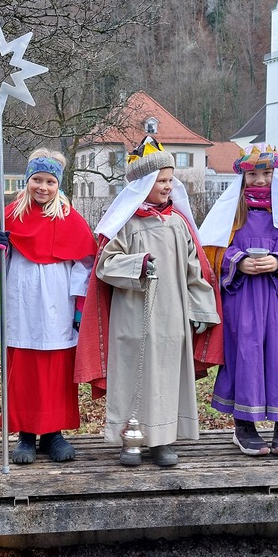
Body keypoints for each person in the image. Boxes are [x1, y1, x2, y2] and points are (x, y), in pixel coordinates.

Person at [75, 136, 223, 468]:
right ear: (143, 185)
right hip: (133, 315)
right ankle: (131, 437)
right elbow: (105, 265)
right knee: (132, 374)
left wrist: (200, 308)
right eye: (161, 181)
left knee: (167, 378)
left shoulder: (178, 223)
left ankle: (162, 440)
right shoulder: (125, 223)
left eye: (170, 180)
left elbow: (194, 269)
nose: (168, 186)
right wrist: (137, 264)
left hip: (172, 316)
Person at [199, 143, 278, 457]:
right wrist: (237, 261)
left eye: (266, 173)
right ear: (243, 177)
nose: (260, 179)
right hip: (240, 301)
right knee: (245, 355)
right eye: (253, 174)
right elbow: (211, 253)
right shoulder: (230, 213)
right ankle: (244, 424)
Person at [0, 149, 97, 464]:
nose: (43, 187)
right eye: (37, 180)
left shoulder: (69, 218)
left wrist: (78, 310)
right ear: (27, 180)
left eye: (49, 181)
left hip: (58, 307)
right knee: (24, 373)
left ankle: (53, 434)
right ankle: (26, 436)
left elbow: (85, 265)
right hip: (22, 305)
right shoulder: (10, 215)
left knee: (56, 371)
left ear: (58, 184)